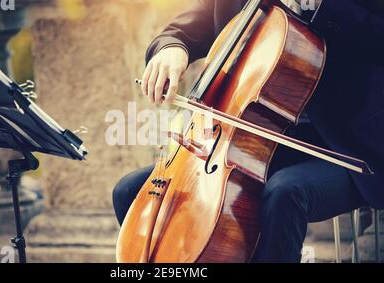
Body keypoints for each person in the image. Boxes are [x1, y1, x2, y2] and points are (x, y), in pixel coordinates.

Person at [113, 0, 384, 262]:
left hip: (346, 147)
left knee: (284, 193)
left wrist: (323, 7)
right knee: (130, 190)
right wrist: (172, 47)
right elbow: (194, 22)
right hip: (254, 145)